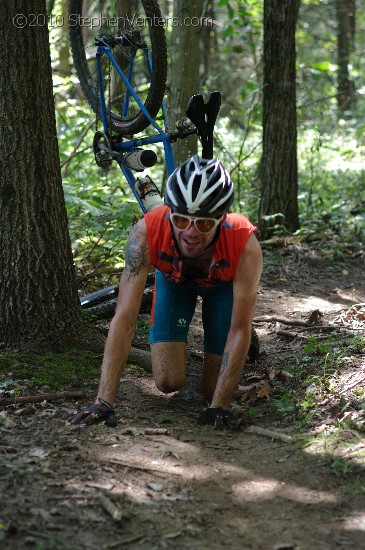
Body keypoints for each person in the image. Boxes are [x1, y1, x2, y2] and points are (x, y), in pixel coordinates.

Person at [69, 155, 263, 429]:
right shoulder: (146, 233)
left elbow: (240, 328)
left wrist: (219, 405)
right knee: (168, 381)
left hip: (222, 287)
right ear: (170, 213)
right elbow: (124, 316)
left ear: (221, 219)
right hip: (175, 279)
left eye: (204, 224)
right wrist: (104, 401)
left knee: (210, 390)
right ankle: (177, 356)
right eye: (181, 220)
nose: (191, 232)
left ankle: (218, 369)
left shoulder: (244, 242)